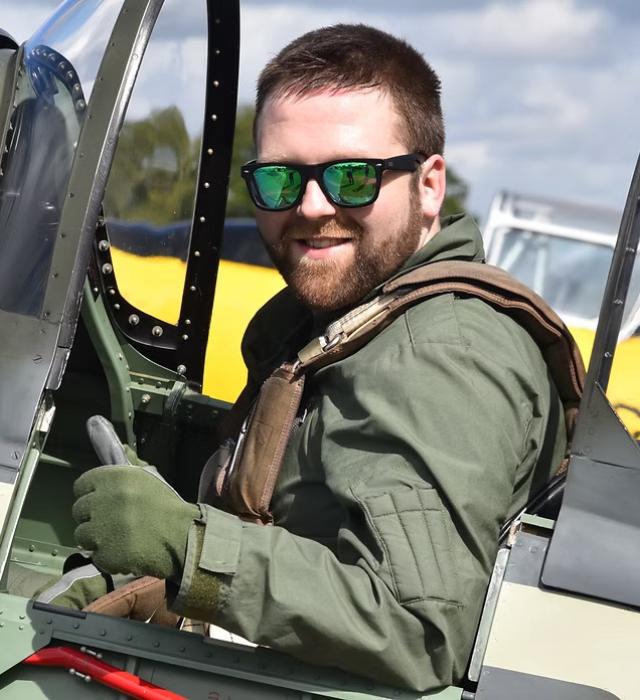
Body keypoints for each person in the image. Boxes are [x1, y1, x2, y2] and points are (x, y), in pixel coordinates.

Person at [46, 25, 568, 692]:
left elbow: (417, 629)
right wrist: (156, 571)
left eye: (354, 177)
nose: (313, 206)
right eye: (280, 179)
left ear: (429, 185)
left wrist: (191, 547)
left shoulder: (437, 354)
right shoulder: (341, 319)